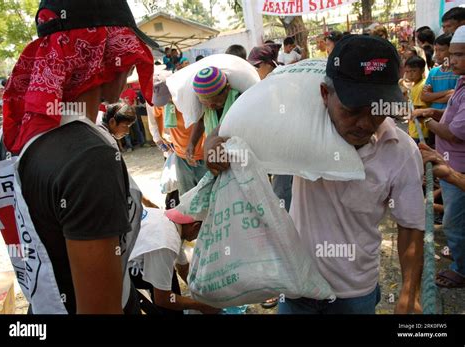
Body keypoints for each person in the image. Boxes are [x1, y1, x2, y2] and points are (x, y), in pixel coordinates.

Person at [205, 35, 425, 314]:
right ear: (324, 94)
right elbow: (242, 119)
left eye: (377, 109)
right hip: (296, 286)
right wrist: (214, 140)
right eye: (352, 109)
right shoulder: (295, 126)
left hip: (355, 296)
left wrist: (409, 293)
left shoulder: (400, 151)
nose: (365, 123)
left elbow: (411, 225)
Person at [3, 0, 156, 314]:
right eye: (126, 53)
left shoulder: (24, 135)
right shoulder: (89, 157)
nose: (129, 66)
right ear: (104, 57)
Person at [413, 26, 465, 288]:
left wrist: (428, 122)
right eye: (451, 54)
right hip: (450, 161)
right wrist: (433, 113)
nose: (452, 60)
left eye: (459, 55)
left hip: (458, 166)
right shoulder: (460, 82)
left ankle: (461, 269)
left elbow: (456, 132)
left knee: (454, 222)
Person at [128, 208, 220, 314]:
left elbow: (183, 267)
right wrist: (202, 306)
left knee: (168, 276)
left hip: (125, 251)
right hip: (121, 270)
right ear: (195, 227)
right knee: (166, 299)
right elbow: (163, 299)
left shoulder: (168, 220)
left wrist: (198, 292)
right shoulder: (166, 241)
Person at [187, 66, 241, 168]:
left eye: (216, 103)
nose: (211, 108)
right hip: (215, 158)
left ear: (227, 89)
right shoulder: (205, 106)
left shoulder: (238, 100)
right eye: (206, 104)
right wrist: (192, 143)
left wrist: (210, 143)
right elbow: (201, 120)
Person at [421, 33, 458, 114]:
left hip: (451, 115)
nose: (437, 54)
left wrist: (432, 97)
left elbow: (454, 97)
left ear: (452, 50)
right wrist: (447, 92)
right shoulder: (433, 72)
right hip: (433, 115)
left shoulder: (458, 72)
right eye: (436, 50)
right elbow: (423, 96)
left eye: (441, 50)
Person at [402, 56, 430, 144]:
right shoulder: (414, 85)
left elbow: (418, 110)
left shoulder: (422, 86)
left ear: (422, 70)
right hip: (414, 130)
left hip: (421, 132)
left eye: (413, 71)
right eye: (407, 71)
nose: (410, 74)